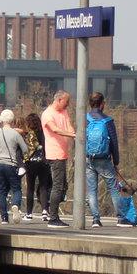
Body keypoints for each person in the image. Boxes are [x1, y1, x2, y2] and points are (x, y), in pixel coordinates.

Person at [85, 91, 125, 228]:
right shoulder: (108, 121)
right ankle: (121, 218)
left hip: (89, 158)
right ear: (102, 104)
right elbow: (114, 142)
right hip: (104, 159)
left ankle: (95, 219)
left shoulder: (85, 119)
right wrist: (116, 162)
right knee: (113, 188)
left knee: (92, 190)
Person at [41, 90, 76, 228]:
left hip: (63, 153)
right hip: (54, 153)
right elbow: (55, 129)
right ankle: (53, 217)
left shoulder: (63, 112)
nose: (67, 105)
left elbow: (68, 126)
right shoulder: (47, 114)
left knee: (62, 186)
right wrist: (74, 135)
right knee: (57, 186)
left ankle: (54, 215)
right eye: (66, 102)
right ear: (59, 100)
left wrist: (74, 133)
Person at [0, 109, 27, 223]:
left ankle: (4, 218)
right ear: (12, 119)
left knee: (2, 191)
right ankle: (15, 205)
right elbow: (25, 149)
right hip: (11, 163)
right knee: (16, 189)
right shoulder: (15, 134)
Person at [21, 112, 52, 220]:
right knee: (43, 187)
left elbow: (27, 150)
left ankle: (29, 213)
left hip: (31, 163)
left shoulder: (29, 134)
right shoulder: (44, 133)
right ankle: (45, 211)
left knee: (30, 188)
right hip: (44, 162)